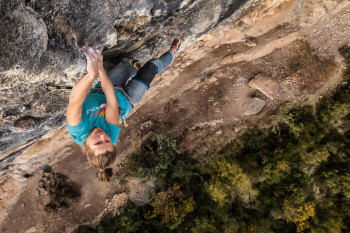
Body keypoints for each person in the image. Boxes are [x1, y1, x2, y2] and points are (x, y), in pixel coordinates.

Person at [66, 38, 181, 183]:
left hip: (103, 89)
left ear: (87, 150)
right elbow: (112, 102)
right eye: (107, 141)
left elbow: (74, 101)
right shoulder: (111, 136)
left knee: (126, 64)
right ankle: (172, 53)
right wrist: (99, 68)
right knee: (151, 68)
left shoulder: (79, 129)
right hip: (127, 99)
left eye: (98, 143)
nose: (103, 136)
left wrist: (91, 74)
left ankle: (134, 68)